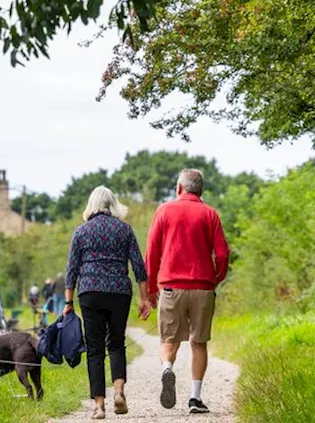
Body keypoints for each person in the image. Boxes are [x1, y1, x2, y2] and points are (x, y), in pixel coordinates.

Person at [146, 168, 230, 415]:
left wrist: (151, 289)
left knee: (169, 340)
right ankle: (195, 398)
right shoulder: (210, 214)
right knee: (199, 342)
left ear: (179, 188)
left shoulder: (164, 211)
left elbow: (152, 253)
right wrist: (215, 279)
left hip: (172, 287)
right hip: (203, 288)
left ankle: (167, 369)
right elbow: (223, 253)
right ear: (200, 190)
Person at [64, 186, 150, 419]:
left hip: (90, 291)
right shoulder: (125, 230)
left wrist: (68, 302)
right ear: (113, 204)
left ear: (91, 205)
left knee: (95, 349)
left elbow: (71, 269)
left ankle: (99, 405)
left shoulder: (81, 232)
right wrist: (145, 298)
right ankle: (119, 392)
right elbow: (139, 266)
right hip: (119, 291)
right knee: (116, 343)